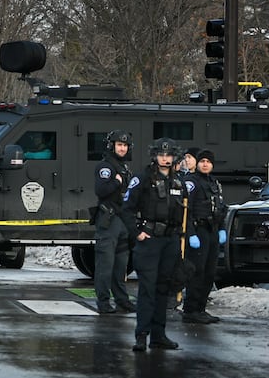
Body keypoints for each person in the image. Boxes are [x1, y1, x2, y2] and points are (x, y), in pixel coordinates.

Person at [125, 137, 186, 352]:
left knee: (164, 289)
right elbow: (127, 208)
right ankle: (142, 335)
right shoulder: (142, 178)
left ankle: (159, 335)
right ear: (154, 156)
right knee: (147, 290)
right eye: (161, 155)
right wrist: (137, 234)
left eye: (168, 155)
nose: (165, 159)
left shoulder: (178, 182)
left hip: (169, 241)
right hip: (149, 240)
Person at [92, 130, 137, 314]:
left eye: (125, 145)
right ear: (112, 146)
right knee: (106, 264)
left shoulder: (124, 167)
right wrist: (117, 182)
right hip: (108, 220)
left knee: (121, 265)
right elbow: (101, 190)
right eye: (119, 145)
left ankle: (121, 299)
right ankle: (103, 301)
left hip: (123, 220)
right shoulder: (106, 167)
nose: (122, 148)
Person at [181, 149, 227, 324]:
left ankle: (201, 308)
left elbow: (220, 208)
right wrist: (190, 234)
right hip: (198, 231)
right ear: (197, 163)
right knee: (197, 272)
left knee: (209, 272)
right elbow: (187, 210)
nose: (205, 164)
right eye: (202, 161)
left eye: (208, 161)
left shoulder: (214, 183)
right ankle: (190, 309)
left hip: (213, 230)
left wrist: (222, 228)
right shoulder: (191, 182)